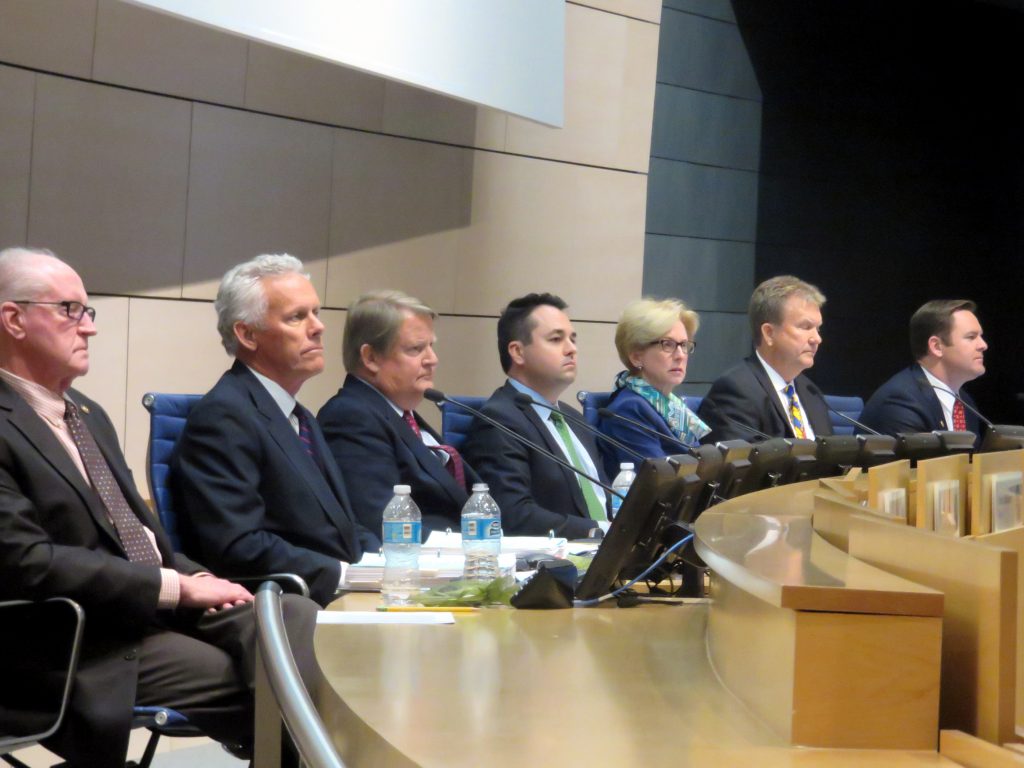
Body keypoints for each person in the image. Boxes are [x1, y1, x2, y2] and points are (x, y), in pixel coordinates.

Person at [0, 247, 318, 767]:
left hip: (154, 604)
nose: (89, 329)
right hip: (78, 636)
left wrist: (200, 580)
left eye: (89, 311)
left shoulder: (86, 413)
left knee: (292, 616)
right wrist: (176, 587)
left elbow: (139, 536)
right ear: (14, 319)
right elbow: (25, 562)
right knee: (269, 690)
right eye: (69, 310)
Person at [171, 254, 377, 607]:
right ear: (248, 334)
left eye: (316, 312)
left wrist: (388, 563)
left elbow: (340, 525)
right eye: (297, 317)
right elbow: (239, 546)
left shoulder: (299, 416)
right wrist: (346, 576)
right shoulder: (224, 417)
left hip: (333, 592)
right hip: (282, 602)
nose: (318, 327)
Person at [318, 290, 480, 537]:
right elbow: (383, 523)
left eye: (431, 346)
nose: (432, 360)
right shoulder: (350, 417)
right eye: (416, 349)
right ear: (371, 358)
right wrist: (471, 544)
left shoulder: (402, 414)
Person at [461, 293, 607, 538]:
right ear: (518, 352)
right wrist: (599, 531)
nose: (571, 349)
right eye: (556, 339)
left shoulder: (574, 420)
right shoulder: (498, 421)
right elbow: (512, 515)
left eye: (572, 339)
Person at [697, 275, 832, 442]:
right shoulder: (736, 390)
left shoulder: (810, 392)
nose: (816, 339)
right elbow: (742, 464)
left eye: (817, 329)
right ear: (769, 333)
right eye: (805, 327)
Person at [596, 298, 710, 476]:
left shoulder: (672, 406)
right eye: (668, 344)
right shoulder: (630, 410)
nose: (680, 355)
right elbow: (659, 480)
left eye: (684, 345)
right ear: (636, 357)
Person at [860, 299, 987, 439]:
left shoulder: (965, 402)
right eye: (971, 337)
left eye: (980, 336)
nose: (983, 345)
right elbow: (921, 461)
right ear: (936, 347)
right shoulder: (901, 401)